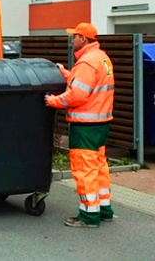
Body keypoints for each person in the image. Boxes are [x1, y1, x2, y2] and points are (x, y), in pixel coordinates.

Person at [45, 22, 115, 228]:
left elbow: (77, 94)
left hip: (85, 125)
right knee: (99, 167)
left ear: (83, 39)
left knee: (85, 170)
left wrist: (53, 101)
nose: (72, 39)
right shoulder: (102, 58)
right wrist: (66, 73)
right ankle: (104, 209)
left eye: (74, 36)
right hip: (100, 123)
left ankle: (88, 216)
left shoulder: (86, 63)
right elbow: (86, 85)